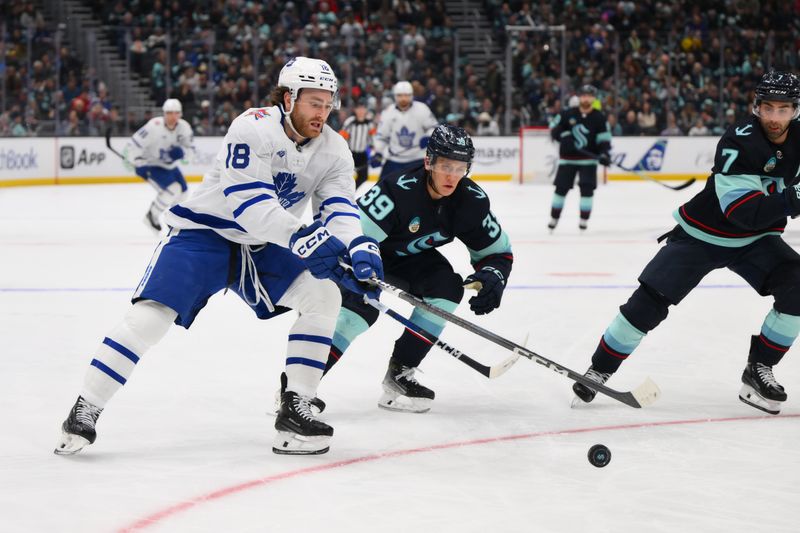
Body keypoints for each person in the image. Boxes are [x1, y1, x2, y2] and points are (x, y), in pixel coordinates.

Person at [54, 56, 383, 457]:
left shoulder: (334, 148)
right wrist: (303, 237)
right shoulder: (252, 126)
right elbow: (250, 205)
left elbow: (340, 209)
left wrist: (360, 246)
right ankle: (86, 406)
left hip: (262, 247)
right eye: (315, 103)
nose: (324, 112)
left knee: (324, 294)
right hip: (202, 235)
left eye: (329, 104)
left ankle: (296, 404)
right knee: (150, 319)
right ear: (287, 98)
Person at [572, 71, 800, 416]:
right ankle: (600, 369)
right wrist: (793, 197)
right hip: (704, 234)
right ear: (756, 107)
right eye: (767, 108)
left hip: (757, 240)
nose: (774, 117)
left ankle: (759, 370)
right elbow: (742, 213)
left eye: (783, 110)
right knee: (649, 300)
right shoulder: (739, 140)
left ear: (795, 110)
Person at [325, 124, 513, 413]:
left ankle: (400, 375)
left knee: (446, 290)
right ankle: (298, 388)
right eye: (446, 166)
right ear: (429, 162)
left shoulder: (471, 202)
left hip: (411, 258)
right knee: (359, 313)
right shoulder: (396, 191)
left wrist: (494, 275)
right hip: (366, 253)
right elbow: (350, 235)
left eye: (460, 167)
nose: (452, 175)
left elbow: (498, 253)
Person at [547, 84, 612, 232]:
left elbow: (604, 139)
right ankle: (554, 218)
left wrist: (604, 153)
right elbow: (554, 129)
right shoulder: (567, 113)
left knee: (587, 189)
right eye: (583, 95)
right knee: (561, 189)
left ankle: (584, 220)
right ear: (579, 97)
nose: (586, 98)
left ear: (594, 98)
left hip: (588, 161)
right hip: (567, 159)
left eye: (589, 96)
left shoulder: (599, 117)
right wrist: (563, 136)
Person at [125, 98, 196, 232]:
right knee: (173, 189)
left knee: (184, 193)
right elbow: (133, 144)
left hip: (169, 166)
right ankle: (152, 216)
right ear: (164, 113)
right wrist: (135, 161)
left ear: (180, 114)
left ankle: (174, 222)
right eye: (169, 113)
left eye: (176, 113)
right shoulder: (154, 126)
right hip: (150, 164)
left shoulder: (184, 127)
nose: (172, 116)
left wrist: (182, 153)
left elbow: (191, 151)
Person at [371, 80, 438, 179]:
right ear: (395, 96)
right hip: (394, 160)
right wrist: (378, 153)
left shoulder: (422, 109)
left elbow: (433, 128)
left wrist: (428, 137)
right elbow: (382, 136)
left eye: (406, 95)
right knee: (382, 190)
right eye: (400, 95)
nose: (403, 99)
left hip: (418, 158)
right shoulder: (388, 112)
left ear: (411, 95)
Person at [339, 99, 375, 190]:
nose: (361, 111)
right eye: (359, 108)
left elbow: (373, 139)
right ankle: (344, 192)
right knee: (345, 176)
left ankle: (351, 191)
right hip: (351, 153)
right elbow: (342, 137)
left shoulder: (369, 123)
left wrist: (373, 150)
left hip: (363, 154)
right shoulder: (350, 122)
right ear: (355, 110)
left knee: (364, 176)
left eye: (363, 108)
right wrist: (343, 151)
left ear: (366, 110)